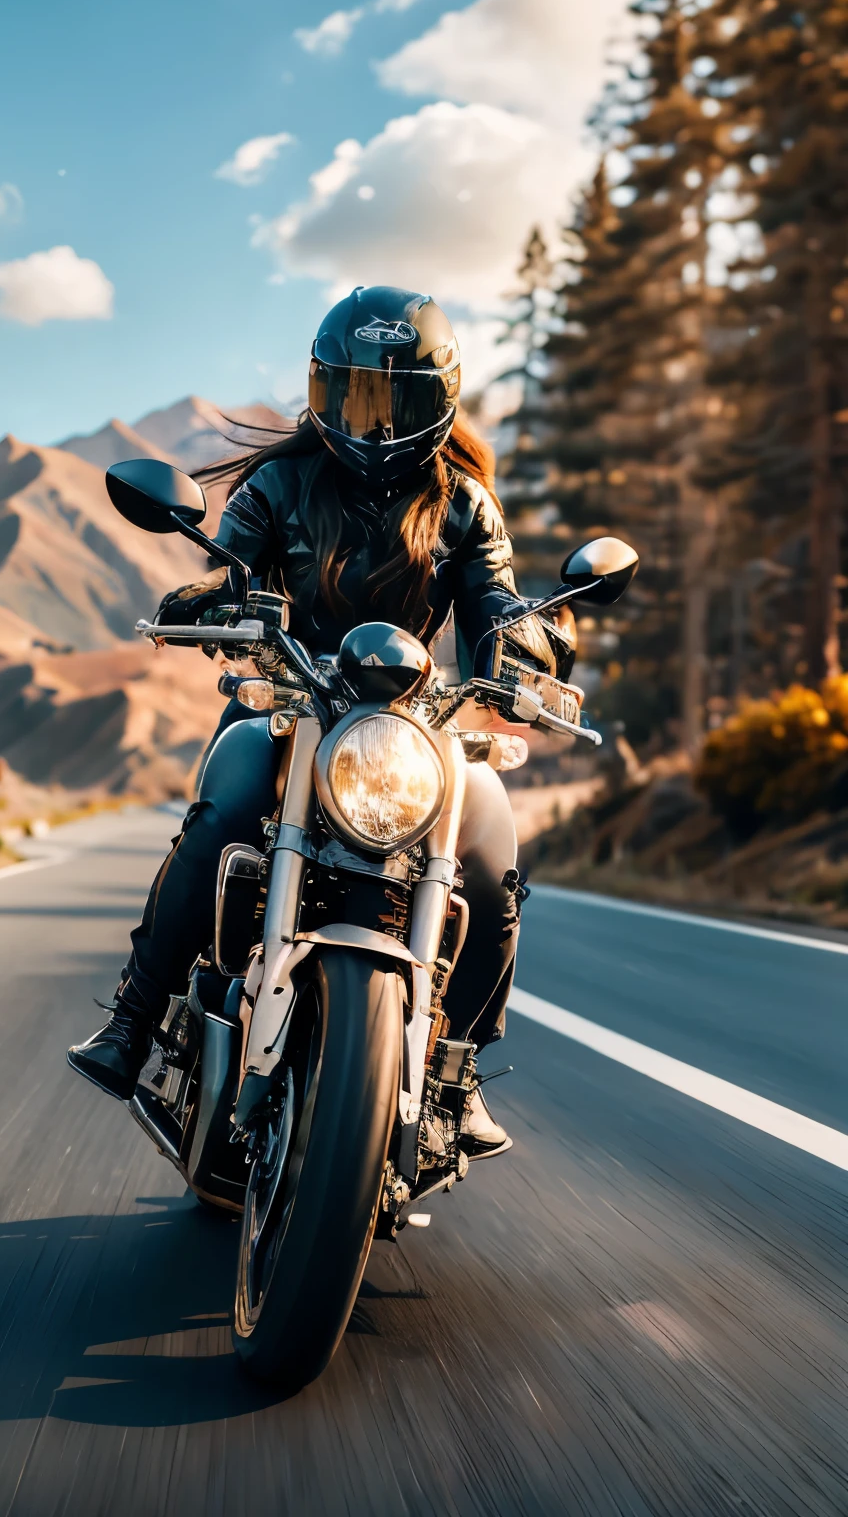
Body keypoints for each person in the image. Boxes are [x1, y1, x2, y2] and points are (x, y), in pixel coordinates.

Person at [67, 286, 572, 1153]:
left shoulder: (463, 503)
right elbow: (241, 571)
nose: (374, 425)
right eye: (353, 398)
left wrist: (528, 640)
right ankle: (133, 1022)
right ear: (320, 392)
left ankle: (454, 1069)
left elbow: (491, 598)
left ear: (439, 400)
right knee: (221, 816)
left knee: (491, 857)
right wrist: (221, 599)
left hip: (416, 727)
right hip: (290, 704)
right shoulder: (280, 482)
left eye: (394, 401)